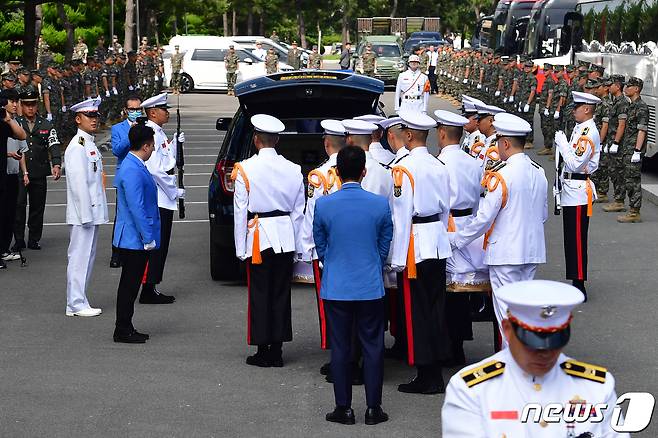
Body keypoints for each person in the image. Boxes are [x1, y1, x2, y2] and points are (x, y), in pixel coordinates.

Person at [442, 280, 630, 437]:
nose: (545, 353)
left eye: (554, 342)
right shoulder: (471, 389)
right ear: (507, 330)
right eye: (531, 343)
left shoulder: (596, 387)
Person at [450, 113, 547, 347]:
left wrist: (457, 239)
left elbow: (484, 218)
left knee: (506, 314)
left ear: (504, 143)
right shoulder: (539, 171)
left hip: (506, 253)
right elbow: (542, 215)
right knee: (523, 313)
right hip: (531, 250)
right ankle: (525, 365)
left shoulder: (502, 176)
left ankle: (512, 368)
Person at [313, 146, 392, 426]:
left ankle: (343, 407)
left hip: (337, 284)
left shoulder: (324, 204)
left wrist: (331, 261)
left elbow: (320, 245)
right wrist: (374, 261)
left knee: (340, 347)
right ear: (364, 172)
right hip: (369, 284)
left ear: (336, 172)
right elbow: (385, 243)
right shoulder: (379, 204)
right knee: (372, 347)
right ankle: (373, 407)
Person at [231, 114, 305, 367]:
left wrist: (240, 248)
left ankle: (264, 348)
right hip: (284, 235)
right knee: (281, 293)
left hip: (259, 236)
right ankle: (278, 346)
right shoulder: (294, 169)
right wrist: (298, 247)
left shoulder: (245, 168)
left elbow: (240, 211)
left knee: (260, 294)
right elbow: (298, 211)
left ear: (256, 140)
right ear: (277, 140)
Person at [390, 112, 452, 394]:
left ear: (410, 135)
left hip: (415, 244)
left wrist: (397, 258)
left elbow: (400, 217)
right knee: (436, 309)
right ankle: (435, 368)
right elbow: (446, 209)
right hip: (436, 241)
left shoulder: (403, 168)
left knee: (417, 312)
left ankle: (426, 373)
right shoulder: (439, 164)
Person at [435, 110, 487, 365]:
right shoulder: (472, 161)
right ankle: (458, 344)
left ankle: (448, 345)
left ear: (442, 134)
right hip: (470, 224)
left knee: (447, 289)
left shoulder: (440, 163)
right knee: (462, 290)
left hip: (449, 225)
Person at [300, 120, 346, 362]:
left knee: (329, 303)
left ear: (327, 144)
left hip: (327, 248)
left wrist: (307, 249)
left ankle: (336, 353)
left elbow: (312, 216)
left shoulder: (319, 176)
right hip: (355, 246)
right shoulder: (359, 168)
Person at [113, 121, 161, 343]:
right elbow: (136, 207)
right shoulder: (132, 168)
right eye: (152, 146)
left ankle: (126, 325)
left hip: (135, 236)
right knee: (129, 285)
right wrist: (147, 237)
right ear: (145, 146)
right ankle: (123, 328)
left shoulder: (134, 164)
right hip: (135, 237)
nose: (152, 150)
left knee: (130, 284)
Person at [554, 91, 601, 300]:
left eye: (577, 107)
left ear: (587, 109)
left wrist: (562, 144)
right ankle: (575, 280)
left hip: (579, 192)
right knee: (570, 239)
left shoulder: (588, 132)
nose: (573, 110)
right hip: (570, 188)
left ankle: (579, 284)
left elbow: (575, 163)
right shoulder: (580, 128)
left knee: (577, 240)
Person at [64, 97, 107, 317]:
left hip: (91, 211)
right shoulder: (77, 146)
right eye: (89, 116)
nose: (94, 119)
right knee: (79, 257)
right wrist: (85, 214)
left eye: (96, 115)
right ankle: (75, 302)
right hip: (84, 213)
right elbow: (78, 183)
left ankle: (79, 299)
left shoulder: (88, 142)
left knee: (86, 256)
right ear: (78, 119)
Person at [141, 93, 184, 304]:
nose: (167, 112)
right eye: (163, 109)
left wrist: (175, 143)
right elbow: (156, 170)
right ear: (152, 112)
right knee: (157, 245)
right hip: (158, 197)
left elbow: (167, 160)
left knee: (162, 244)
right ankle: (148, 287)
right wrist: (173, 191)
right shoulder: (152, 134)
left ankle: (152, 285)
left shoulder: (158, 133)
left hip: (163, 197)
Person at [13, 90, 61, 253]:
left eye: (33, 104)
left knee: (37, 207)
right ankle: (18, 240)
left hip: (39, 171)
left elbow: (53, 144)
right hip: (19, 172)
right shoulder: (15, 123)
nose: (30, 108)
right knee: (18, 207)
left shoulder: (46, 124)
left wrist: (56, 164)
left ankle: (34, 239)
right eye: (27, 105)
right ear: (21, 105)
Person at [108, 94, 143, 268]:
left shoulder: (145, 127)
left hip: (142, 176)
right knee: (122, 215)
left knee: (141, 212)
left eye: (138, 109)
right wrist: (131, 134)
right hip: (124, 177)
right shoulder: (118, 129)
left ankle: (137, 248)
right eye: (132, 110)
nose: (136, 112)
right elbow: (117, 150)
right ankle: (116, 252)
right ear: (125, 110)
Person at [0, 90, 28, 265]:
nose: (15, 104)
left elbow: (22, 136)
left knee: (8, 213)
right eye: (11, 101)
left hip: (7, 174)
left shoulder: (7, 122)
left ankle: (3, 249)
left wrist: (8, 119)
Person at [616, 76, 648, 223]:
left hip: (633, 149)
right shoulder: (631, 105)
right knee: (627, 178)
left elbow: (642, 130)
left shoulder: (641, 106)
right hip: (626, 147)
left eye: (629, 87)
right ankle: (632, 209)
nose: (625, 89)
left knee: (633, 180)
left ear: (636, 89)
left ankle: (635, 212)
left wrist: (637, 150)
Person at [602, 75, 629, 215]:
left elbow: (622, 125)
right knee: (613, 171)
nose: (608, 87)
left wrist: (616, 143)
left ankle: (619, 201)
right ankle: (618, 200)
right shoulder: (615, 101)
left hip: (618, 144)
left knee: (618, 172)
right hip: (612, 141)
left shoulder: (622, 103)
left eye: (611, 84)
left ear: (617, 86)